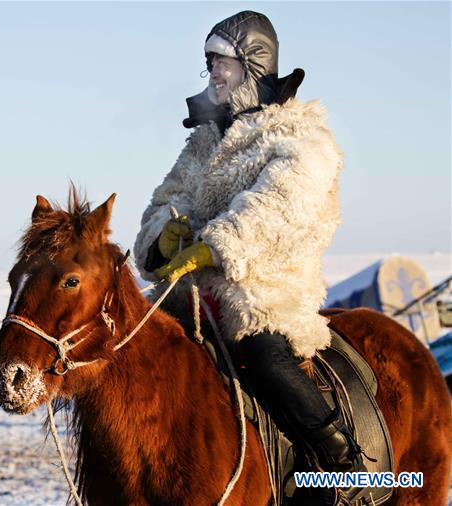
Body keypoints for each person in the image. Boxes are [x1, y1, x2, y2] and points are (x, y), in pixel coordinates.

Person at [133, 10, 363, 488]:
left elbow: (278, 206)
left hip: (265, 287)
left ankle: (341, 462)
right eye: (209, 62)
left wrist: (214, 247)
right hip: (192, 291)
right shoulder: (203, 142)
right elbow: (168, 199)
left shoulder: (301, 137)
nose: (213, 72)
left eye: (222, 61)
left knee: (262, 355)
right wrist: (164, 234)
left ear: (253, 66)